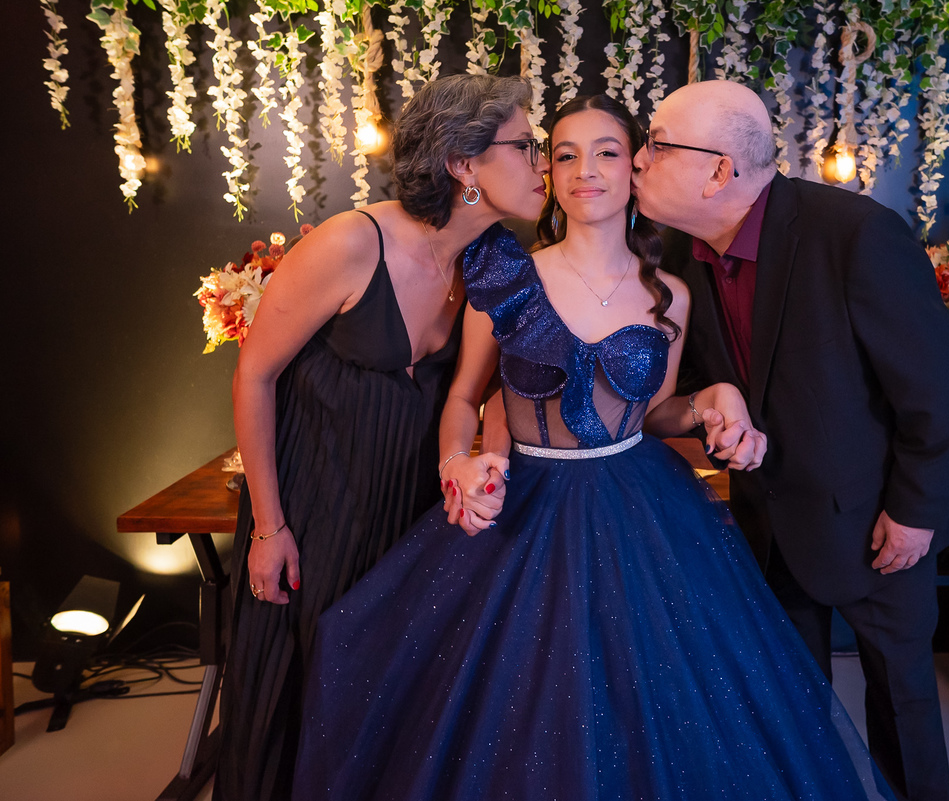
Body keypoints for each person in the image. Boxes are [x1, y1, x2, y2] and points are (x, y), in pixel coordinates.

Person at [294, 95, 893, 801]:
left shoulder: (671, 291)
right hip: (527, 503)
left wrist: (710, 401)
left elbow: (657, 410)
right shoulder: (505, 274)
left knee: (665, 697)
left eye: (608, 152)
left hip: (640, 502)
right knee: (511, 696)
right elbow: (465, 397)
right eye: (565, 153)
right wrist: (458, 461)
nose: (586, 171)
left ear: (637, 167)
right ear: (548, 170)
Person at [632, 80, 949, 801]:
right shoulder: (682, 260)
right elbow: (693, 386)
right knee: (788, 712)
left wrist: (915, 511)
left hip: (879, 525)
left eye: (656, 145)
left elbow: (935, 387)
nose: (637, 159)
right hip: (768, 521)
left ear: (720, 169)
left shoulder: (853, 233)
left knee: (903, 706)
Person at [214, 74, 547, 801]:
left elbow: (488, 390)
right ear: (463, 164)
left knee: (386, 705)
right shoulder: (351, 242)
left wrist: (482, 463)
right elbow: (255, 377)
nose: (543, 163)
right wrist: (268, 527)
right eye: (526, 146)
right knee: (297, 696)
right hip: (316, 504)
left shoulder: (492, 260)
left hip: (410, 512)